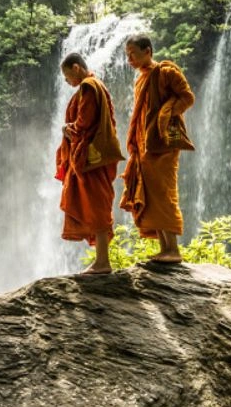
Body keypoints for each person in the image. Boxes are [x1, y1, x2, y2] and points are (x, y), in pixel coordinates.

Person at [121, 34, 195, 263]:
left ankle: (173, 250)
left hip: (163, 144)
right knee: (151, 196)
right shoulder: (140, 79)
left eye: (133, 53)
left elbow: (187, 98)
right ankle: (164, 248)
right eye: (127, 55)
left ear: (148, 51)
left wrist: (167, 112)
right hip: (146, 145)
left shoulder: (166, 72)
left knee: (164, 194)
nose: (129, 59)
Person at [55, 53, 124, 275]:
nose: (67, 82)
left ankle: (103, 261)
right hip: (96, 160)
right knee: (98, 205)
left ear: (76, 68)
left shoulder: (88, 87)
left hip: (90, 161)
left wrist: (67, 129)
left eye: (67, 77)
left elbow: (84, 124)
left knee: (97, 207)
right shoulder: (98, 86)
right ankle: (101, 259)